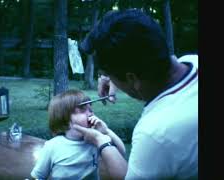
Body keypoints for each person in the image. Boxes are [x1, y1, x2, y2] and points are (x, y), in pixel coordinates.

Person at [76, 9, 198, 179]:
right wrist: (114, 75)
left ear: (132, 78)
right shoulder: (193, 61)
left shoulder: (155, 135)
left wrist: (102, 142)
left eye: (109, 75)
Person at [30, 89, 126, 179]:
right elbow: (38, 176)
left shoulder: (94, 140)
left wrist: (106, 131)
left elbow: (121, 153)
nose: (91, 113)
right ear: (65, 118)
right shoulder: (52, 146)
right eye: (83, 110)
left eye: (91, 109)